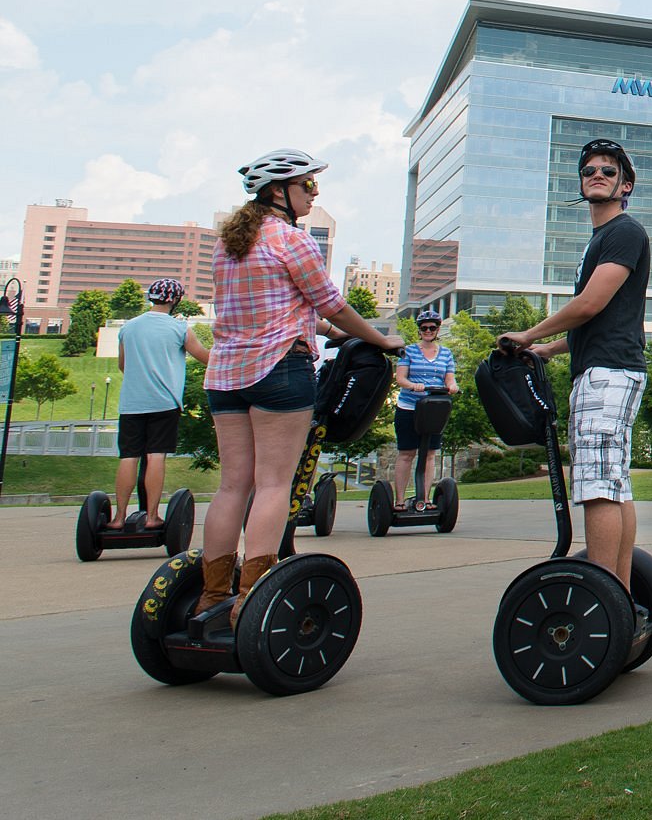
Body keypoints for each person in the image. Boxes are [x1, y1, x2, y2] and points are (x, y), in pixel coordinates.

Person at [195, 149, 403, 627]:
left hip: (225, 375)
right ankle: (251, 598)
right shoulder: (292, 241)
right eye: (308, 185)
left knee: (231, 487)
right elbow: (333, 306)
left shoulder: (227, 246)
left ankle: (211, 596)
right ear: (278, 192)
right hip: (279, 372)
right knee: (273, 484)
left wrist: (337, 336)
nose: (314, 193)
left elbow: (294, 313)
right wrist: (380, 340)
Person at [500, 138, 651, 592]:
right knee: (613, 483)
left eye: (608, 171)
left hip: (607, 373)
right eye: (590, 171)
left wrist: (529, 334)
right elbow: (599, 318)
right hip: (606, 367)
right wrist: (548, 350)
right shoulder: (600, 239)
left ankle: (603, 599)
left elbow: (590, 304)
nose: (597, 175)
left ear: (626, 185)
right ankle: (619, 598)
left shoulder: (623, 231)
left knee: (596, 485)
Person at [112, 278, 210, 527]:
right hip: (164, 402)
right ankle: (152, 516)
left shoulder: (129, 327)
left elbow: (123, 365)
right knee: (156, 456)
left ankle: (119, 517)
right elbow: (204, 357)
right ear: (175, 300)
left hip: (131, 402)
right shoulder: (179, 328)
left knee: (129, 457)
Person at [391, 308, 458, 507]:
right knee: (407, 453)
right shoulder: (409, 350)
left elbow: (450, 378)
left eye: (432, 327)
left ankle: (425, 499)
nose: (428, 331)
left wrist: (453, 386)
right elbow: (400, 378)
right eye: (424, 328)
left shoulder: (446, 353)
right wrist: (413, 385)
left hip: (433, 410)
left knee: (429, 454)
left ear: (437, 330)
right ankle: (400, 501)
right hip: (409, 408)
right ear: (419, 330)